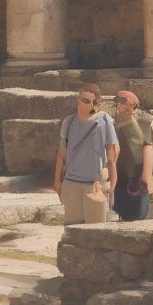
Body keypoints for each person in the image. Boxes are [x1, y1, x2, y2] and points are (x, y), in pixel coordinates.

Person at [53, 82, 118, 225]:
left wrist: (112, 186)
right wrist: (57, 181)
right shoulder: (68, 122)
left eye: (92, 102)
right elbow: (62, 154)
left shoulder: (104, 121)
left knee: (98, 232)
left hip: (94, 185)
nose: (89, 105)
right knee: (72, 231)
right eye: (85, 100)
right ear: (78, 100)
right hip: (71, 183)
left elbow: (112, 156)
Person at [112, 91, 153, 222]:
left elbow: (147, 149)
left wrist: (146, 178)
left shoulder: (143, 123)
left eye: (133, 106)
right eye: (125, 104)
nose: (129, 108)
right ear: (118, 104)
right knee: (120, 213)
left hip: (136, 178)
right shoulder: (111, 124)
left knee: (137, 215)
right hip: (118, 177)